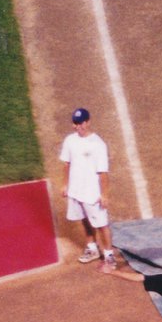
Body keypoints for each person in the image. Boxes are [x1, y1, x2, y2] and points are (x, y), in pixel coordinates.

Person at [58, 107, 117, 268]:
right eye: (77, 123)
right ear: (73, 125)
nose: (80, 126)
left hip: (92, 193)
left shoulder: (98, 145)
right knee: (84, 219)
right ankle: (92, 248)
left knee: (101, 224)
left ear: (88, 122)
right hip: (75, 191)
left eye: (82, 122)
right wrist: (65, 184)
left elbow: (103, 172)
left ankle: (109, 255)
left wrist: (104, 194)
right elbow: (67, 164)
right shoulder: (70, 140)